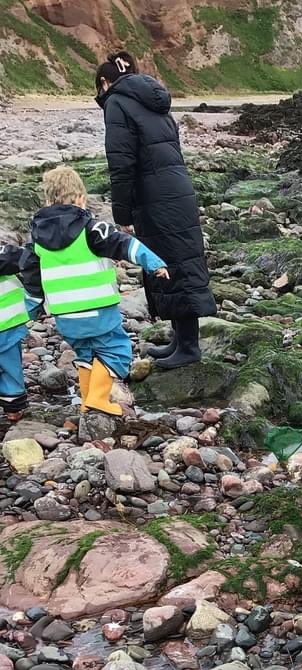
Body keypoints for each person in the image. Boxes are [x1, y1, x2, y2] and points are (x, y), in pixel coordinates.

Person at [95, 50, 215, 369]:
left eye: (99, 86)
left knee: (170, 265)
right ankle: (181, 340)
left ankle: (189, 347)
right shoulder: (154, 99)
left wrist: (121, 214)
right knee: (180, 260)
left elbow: (121, 164)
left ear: (106, 82)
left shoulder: (117, 103)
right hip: (176, 188)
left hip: (153, 196)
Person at [23, 166, 168, 416]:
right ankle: (99, 399)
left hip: (64, 315)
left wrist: (33, 307)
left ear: (48, 200)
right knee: (117, 351)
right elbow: (125, 244)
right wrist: (154, 263)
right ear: (81, 198)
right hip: (97, 309)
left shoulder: (37, 238)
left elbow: (32, 277)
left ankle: (87, 400)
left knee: (85, 352)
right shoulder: (91, 228)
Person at [0, 243, 36, 420]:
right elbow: (22, 258)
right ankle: (13, 409)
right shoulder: (4, 255)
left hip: (7, 323)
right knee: (10, 367)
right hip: (6, 323)